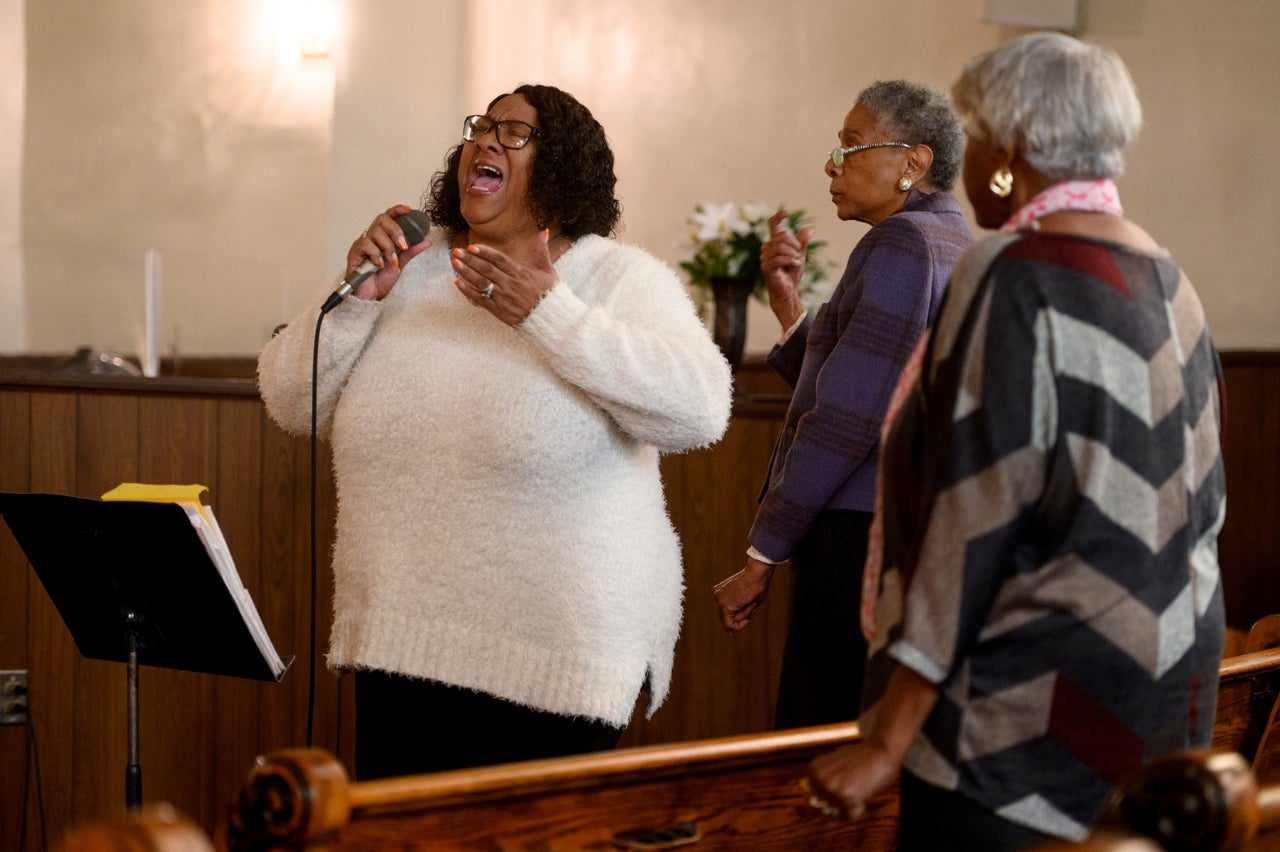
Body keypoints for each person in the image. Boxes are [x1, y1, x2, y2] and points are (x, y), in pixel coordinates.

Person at [805, 33, 1227, 851]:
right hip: (1164, 708)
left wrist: (887, 740)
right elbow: (1201, 509)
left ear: (1010, 149)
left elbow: (970, 513)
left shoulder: (1010, 273)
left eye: (976, 134)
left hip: (1022, 719)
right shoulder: (1172, 280)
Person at [257, 84, 732, 779]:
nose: (487, 140)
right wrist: (357, 298)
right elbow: (289, 401)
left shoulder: (613, 278)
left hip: (559, 660)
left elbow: (700, 410)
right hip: (401, 648)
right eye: (483, 125)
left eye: (516, 133)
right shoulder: (408, 275)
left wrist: (550, 316)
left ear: (564, 168)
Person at [712, 80, 974, 728]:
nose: (832, 164)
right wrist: (789, 309)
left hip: (857, 532)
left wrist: (761, 555)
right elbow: (873, 383)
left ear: (913, 162)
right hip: (904, 526)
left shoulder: (900, 244)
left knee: (820, 728)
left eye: (852, 146)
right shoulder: (952, 242)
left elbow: (849, 416)